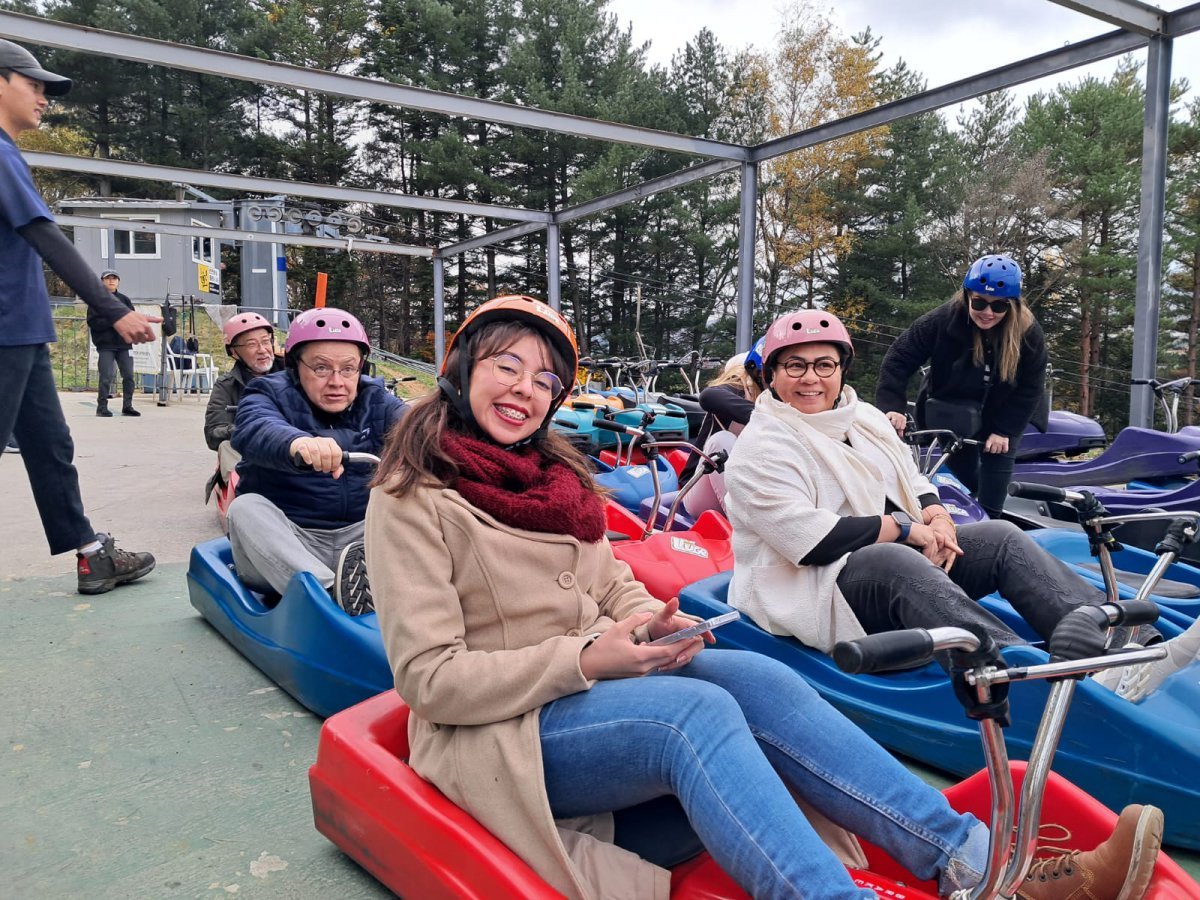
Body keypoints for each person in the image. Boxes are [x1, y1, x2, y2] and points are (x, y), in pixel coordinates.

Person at [363, 294, 1156, 900]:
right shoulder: (411, 498)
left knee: (760, 680)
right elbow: (429, 679)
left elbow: (610, 582)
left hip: (597, 681)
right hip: (504, 732)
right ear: (463, 368)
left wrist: (648, 622)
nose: (525, 391)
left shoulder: (556, 478)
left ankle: (983, 867)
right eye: (507, 366)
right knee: (694, 715)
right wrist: (586, 656)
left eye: (545, 379)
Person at [724, 309, 1200, 707]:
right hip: (816, 586)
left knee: (998, 537)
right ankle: (1018, 673)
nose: (811, 379)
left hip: (889, 561)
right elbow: (808, 541)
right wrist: (906, 529)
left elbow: (910, 477)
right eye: (795, 367)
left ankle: (1122, 647)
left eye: (824, 365)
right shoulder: (763, 446)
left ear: (841, 369)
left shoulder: (863, 418)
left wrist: (937, 515)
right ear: (771, 375)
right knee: (892, 559)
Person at [0, 39, 157, 595]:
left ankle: (92, 554)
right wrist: (113, 308)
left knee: (50, 444)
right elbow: (44, 233)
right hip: (4, 330)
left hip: (22, 331)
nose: (44, 98)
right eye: (33, 85)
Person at [226, 307, 405, 616]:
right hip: (290, 540)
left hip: (360, 538)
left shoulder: (375, 398)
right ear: (296, 367)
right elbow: (256, 426)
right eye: (321, 368)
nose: (337, 381)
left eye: (348, 369)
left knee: (420, 493)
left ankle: (397, 585)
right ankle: (328, 598)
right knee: (246, 508)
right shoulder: (267, 392)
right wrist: (298, 443)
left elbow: (417, 427)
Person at [875, 254, 1047, 518]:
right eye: (979, 302)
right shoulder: (942, 320)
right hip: (952, 412)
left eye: (999, 307)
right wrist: (892, 407)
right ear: (967, 296)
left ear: (1011, 306)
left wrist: (1004, 430)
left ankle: (993, 521)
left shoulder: (1028, 333)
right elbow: (898, 359)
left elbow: (1031, 386)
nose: (988, 313)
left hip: (1004, 416)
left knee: (993, 491)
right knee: (970, 478)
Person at [680, 337, 765, 515]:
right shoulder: (740, 392)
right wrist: (767, 419)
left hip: (753, 483)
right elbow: (710, 395)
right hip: (701, 484)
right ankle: (747, 524)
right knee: (722, 440)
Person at [204, 311, 284, 493]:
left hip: (296, 443)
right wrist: (250, 429)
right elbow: (213, 433)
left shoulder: (295, 372)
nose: (262, 349)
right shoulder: (226, 386)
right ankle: (245, 494)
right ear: (234, 352)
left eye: (265, 341)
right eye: (252, 345)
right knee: (226, 445)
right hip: (253, 448)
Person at [88, 269, 139, 417]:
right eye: (108, 278)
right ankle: (102, 407)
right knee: (106, 376)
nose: (111, 281)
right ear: (102, 281)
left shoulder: (125, 300)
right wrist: (114, 320)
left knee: (129, 376)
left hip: (124, 345)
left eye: (115, 278)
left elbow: (131, 318)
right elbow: (93, 322)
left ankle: (127, 406)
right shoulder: (96, 300)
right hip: (106, 346)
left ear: (119, 281)